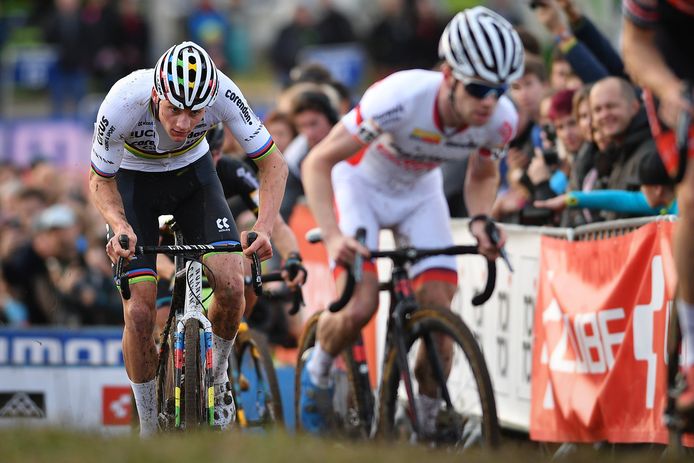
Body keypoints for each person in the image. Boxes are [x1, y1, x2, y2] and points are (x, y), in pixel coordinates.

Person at [299, 6, 523, 435]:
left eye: (500, 89)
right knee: (361, 304)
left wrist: (479, 220)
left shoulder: (501, 120)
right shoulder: (400, 97)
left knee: (439, 306)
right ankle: (319, 369)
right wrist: (331, 235)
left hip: (420, 194)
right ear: (448, 75)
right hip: (362, 185)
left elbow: (484, 173)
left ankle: (423, 416)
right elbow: (319, 161)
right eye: (478, 89)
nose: (490, 101)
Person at [88, 41, 287, 436]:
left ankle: (216, 381)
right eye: (173, 109)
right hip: (133, 182)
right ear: (157, 93)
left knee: (232, 287)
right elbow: (99, 178)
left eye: (195, 113)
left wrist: (264, 226)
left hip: (193, 178)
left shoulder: (225, 93)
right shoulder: (123, 100)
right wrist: (119, 224)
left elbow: (273, 162)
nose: (182, 123)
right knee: (141, 312)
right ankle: (148, 426)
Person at [621, 0, 694, 418]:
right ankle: (692, 360)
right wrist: (669, 90)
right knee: (692, 190)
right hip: (674, 65)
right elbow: (634, 45)